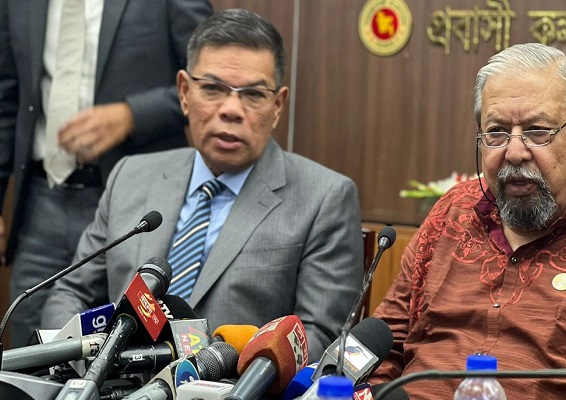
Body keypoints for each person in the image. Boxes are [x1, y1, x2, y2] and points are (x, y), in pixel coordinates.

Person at [41, 9, 364, 361]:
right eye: (212, 89)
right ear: (184, 92)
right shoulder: (129, 176)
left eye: (253, 94)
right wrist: (81, 364)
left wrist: (216, 368)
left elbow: (319, 337)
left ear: (277, 105)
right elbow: (70, 293)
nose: (231, 109)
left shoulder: (324, 198)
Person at [370, 43, 566, 399]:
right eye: (497, 132)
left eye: (537, 130)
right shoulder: (451, 213)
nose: (515, 152)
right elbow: (378, 351)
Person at [0, 0, 213, 347]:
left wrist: (131, 116)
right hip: (41, 203)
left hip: (134, 207)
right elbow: (2, 94)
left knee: (131, 342)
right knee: (31, 350)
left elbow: (209, 81)